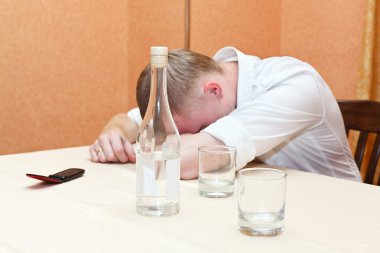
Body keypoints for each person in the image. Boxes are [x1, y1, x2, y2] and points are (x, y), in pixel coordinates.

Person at [89, 47, 362, 182]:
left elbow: (192, 160)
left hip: (340, 215)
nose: (190, 137)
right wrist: (113, 135)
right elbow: (129, 120)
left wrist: (144, 150)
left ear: (213, 89)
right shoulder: (198, 91)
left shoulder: (295, 84)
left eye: (198, 129)